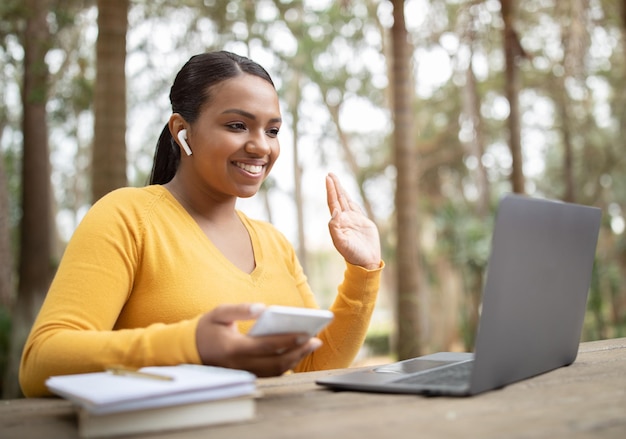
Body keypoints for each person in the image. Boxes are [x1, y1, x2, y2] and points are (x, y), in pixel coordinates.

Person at [19, 51, 384, 397]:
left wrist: (363, 271)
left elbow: (312, 366)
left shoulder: (274, 243)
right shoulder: (128, 217)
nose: (261, 146)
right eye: (238, 125)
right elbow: (40, 363)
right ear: (182, 130)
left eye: (272, 131)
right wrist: (191, 345)